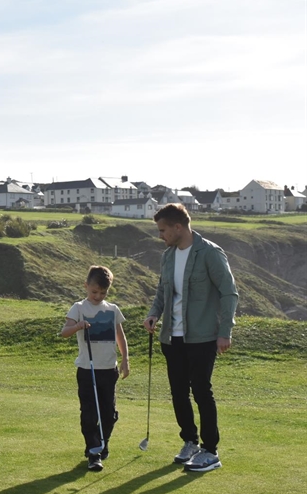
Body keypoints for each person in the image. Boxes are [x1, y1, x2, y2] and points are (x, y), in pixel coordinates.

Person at [143, 203, 238, 473]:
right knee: (178, 392)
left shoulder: (209, 252)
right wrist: (154, 314)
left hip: (203, 336)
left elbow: (229, 293)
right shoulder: (168, 256)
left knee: (201, 391)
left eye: (163, 230)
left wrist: (225, 332)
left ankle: (210, 451)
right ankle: (190, 442)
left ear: (178, 227)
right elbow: (163, 291)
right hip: (172, 337)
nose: (160, 235)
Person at [60, 265, 130, 471]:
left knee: (109, 413)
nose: (98, 296)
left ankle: (102, 442)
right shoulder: (79, 308)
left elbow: (120, 336)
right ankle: (93, 451)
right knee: (90, 413)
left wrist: (125, 359)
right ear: (86, 286)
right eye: (94, 292)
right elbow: (64, 332)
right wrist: (77, 326)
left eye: (103, 292)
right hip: (86, 369)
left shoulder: (112, 310)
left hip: (109, 370)